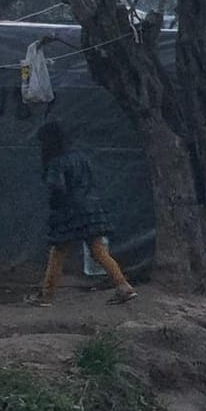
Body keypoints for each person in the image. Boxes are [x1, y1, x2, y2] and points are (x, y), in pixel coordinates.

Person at [30, 121, 136, 306]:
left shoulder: (56, 161)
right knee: (98, 251)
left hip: (70, 211)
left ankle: (46, 296)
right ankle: (123, 286)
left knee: (58, 252)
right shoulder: (81, 156)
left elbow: (57, 187)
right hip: (92, 208)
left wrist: (55, 206)